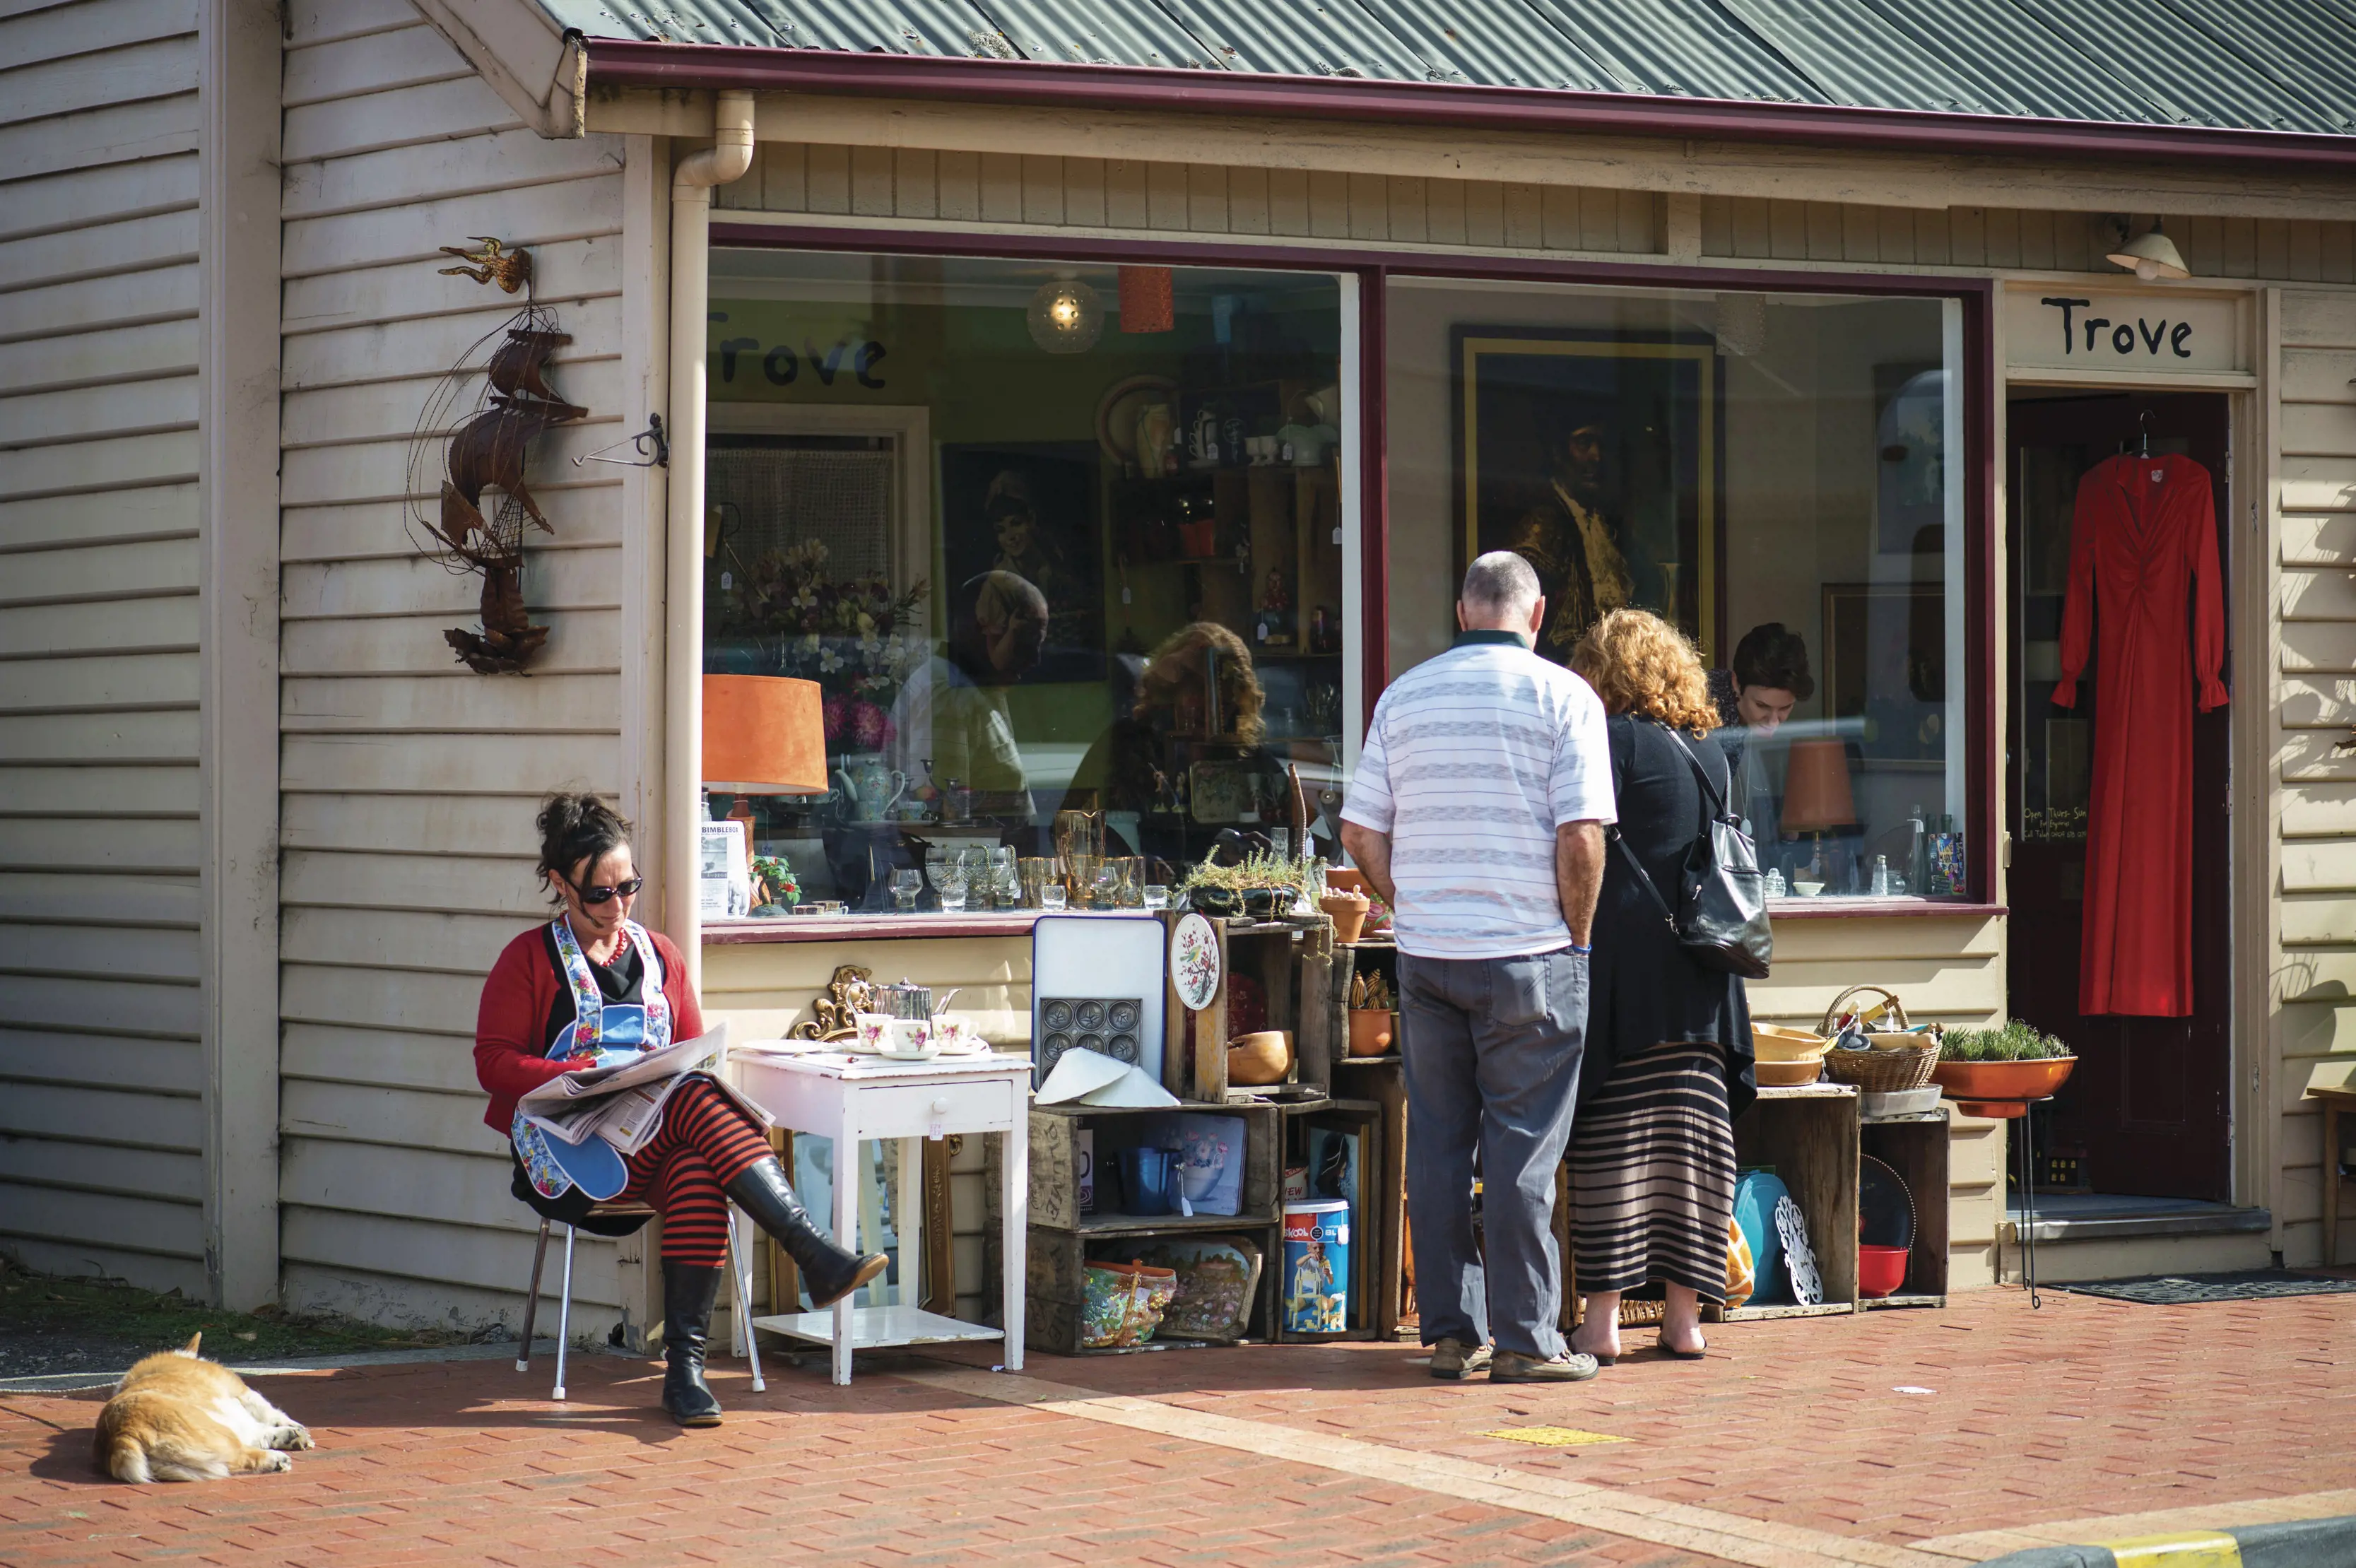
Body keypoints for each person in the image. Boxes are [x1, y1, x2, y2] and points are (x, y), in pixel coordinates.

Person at [475, 794, 888, 1427]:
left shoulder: (660, 954)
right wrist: (580, 1073)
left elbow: (691, 1057)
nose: (618, 906)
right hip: (570, 1152)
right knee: (695, 1105)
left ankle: (685, 1373)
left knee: (698, 1155)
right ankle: (813, 1251)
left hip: (649, 1140)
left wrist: (654, 1077)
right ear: (560, 885)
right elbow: (493, 1062)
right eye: (599, 894)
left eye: (628, 887)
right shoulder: (527, 960)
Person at [1339, 551, 1613, 1384]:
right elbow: (1580, 837)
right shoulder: (1564, 695)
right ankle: (1528, 1338)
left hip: (1428, 955)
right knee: (1522, 1151)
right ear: (1536, 616)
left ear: (1462, 609)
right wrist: (1577, 936)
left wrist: (1410, 902)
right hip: (1530, 953)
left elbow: (1358, 832)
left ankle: (1453, 1333)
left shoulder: (1403, 696)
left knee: (1438, 1144)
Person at [1566, 611, 1757, 1363]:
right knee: (1696, 1149)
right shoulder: (1710, 753)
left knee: (1613, 1143)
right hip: (1705, 977)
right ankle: (1684, 1321)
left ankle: (1602, 1322)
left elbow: (1580, 836)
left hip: (1626, 973)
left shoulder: (1609, 742)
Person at [890, 570, 1048, 803]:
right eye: (1027, 640)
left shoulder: (969, 689)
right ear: (982, 628)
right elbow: (943, 818)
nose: (1036, 659)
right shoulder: (949, 697)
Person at [1507, 419, 1634, 661]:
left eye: (1600, 445)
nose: (1596, 456)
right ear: (1558, 452)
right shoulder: (1543, 524)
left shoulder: (1603, 523)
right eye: (1584, 443)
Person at [1707, 622, 1813, 849]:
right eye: (1762, 706)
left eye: (1785, 708)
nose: (1773, 722)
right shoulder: (1708, 714)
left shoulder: (1739, 715)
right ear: (1736, 683)